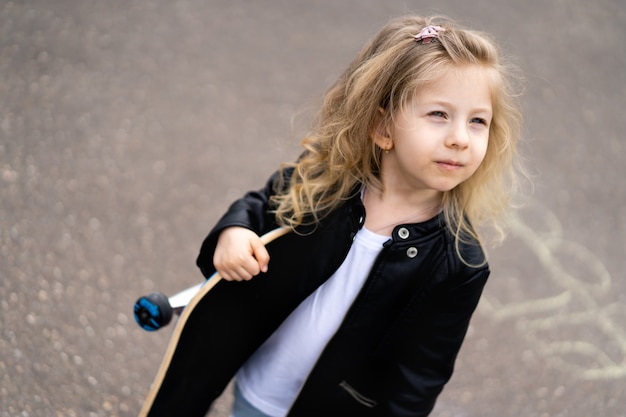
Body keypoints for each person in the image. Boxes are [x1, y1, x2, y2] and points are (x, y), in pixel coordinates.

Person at [196, 15, 525, 417]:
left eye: (478, 121)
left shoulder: (458, 263)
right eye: (439, 114)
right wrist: (234, 232)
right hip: (260, 390)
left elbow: (419, 377)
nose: (460, 137)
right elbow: (257, 206)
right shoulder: (324, 182)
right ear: (382, 126)